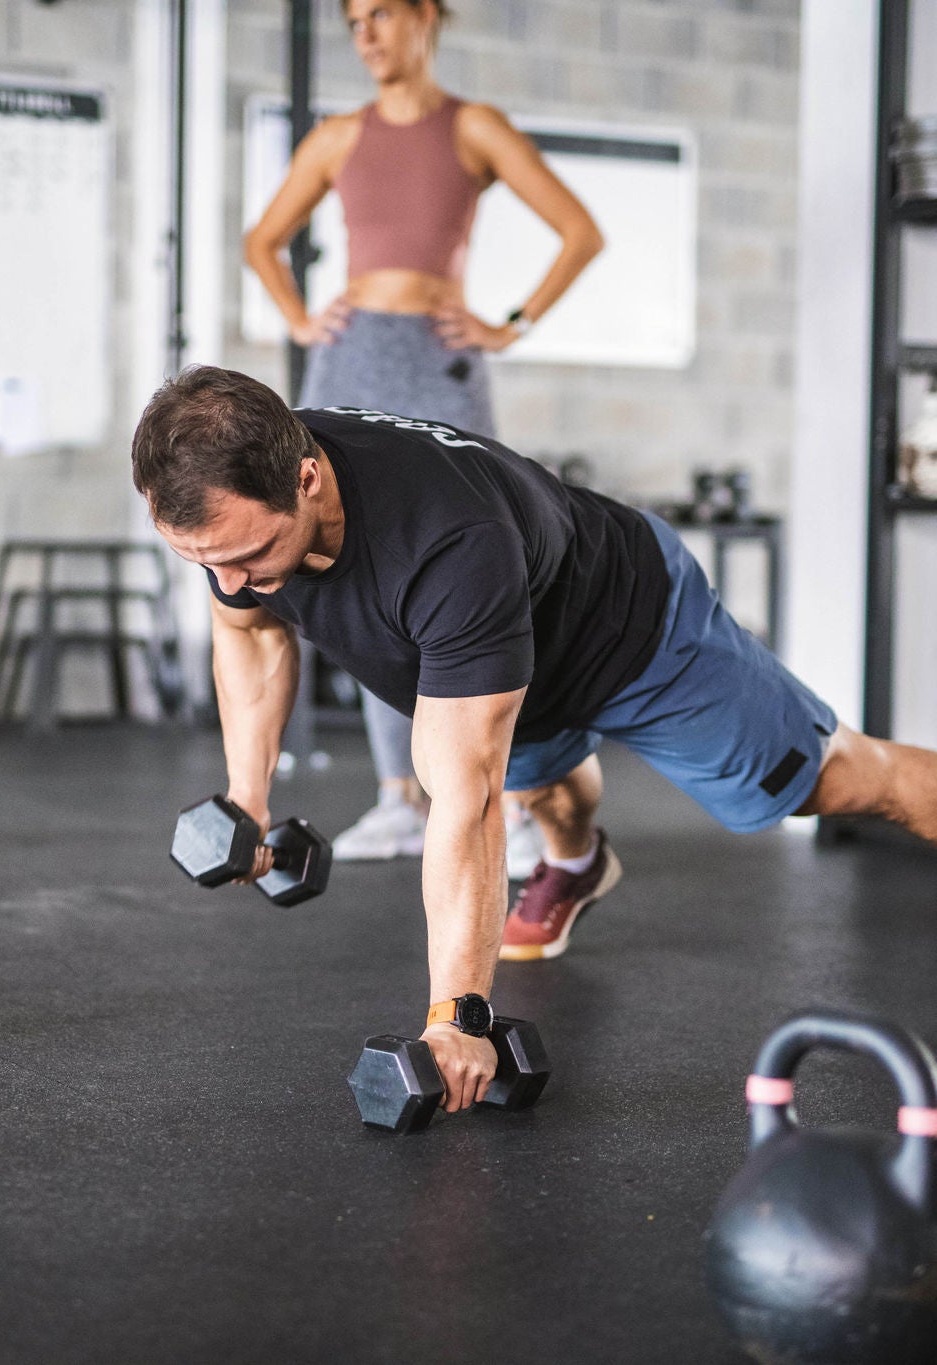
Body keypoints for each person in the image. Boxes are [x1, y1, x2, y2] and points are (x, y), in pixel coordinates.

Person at [132, 368, 937, 1113]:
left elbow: (462, 802)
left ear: (307, 477)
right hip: (490, 661)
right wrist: (247, 800)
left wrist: (456, 1018)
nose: (232, 581)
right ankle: (577, 864)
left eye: (249, 554)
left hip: (632, 630)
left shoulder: (446, 542)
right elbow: (248, 637)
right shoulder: (237, 511)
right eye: (199, 559)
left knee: (835, 778)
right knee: (541, 785)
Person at [243, 0, 603, 876]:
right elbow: (263, 241)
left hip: (440, 358)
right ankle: (400, 795)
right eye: (352, 20)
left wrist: (508, 323)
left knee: (478, 566)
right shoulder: (336, 138)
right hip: (352, 357)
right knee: (354, 572)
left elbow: (578, 231)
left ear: (425, 17)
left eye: (379, 14)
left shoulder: (473, 126)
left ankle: (504, 796)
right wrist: (300, 319)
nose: (365, 33)